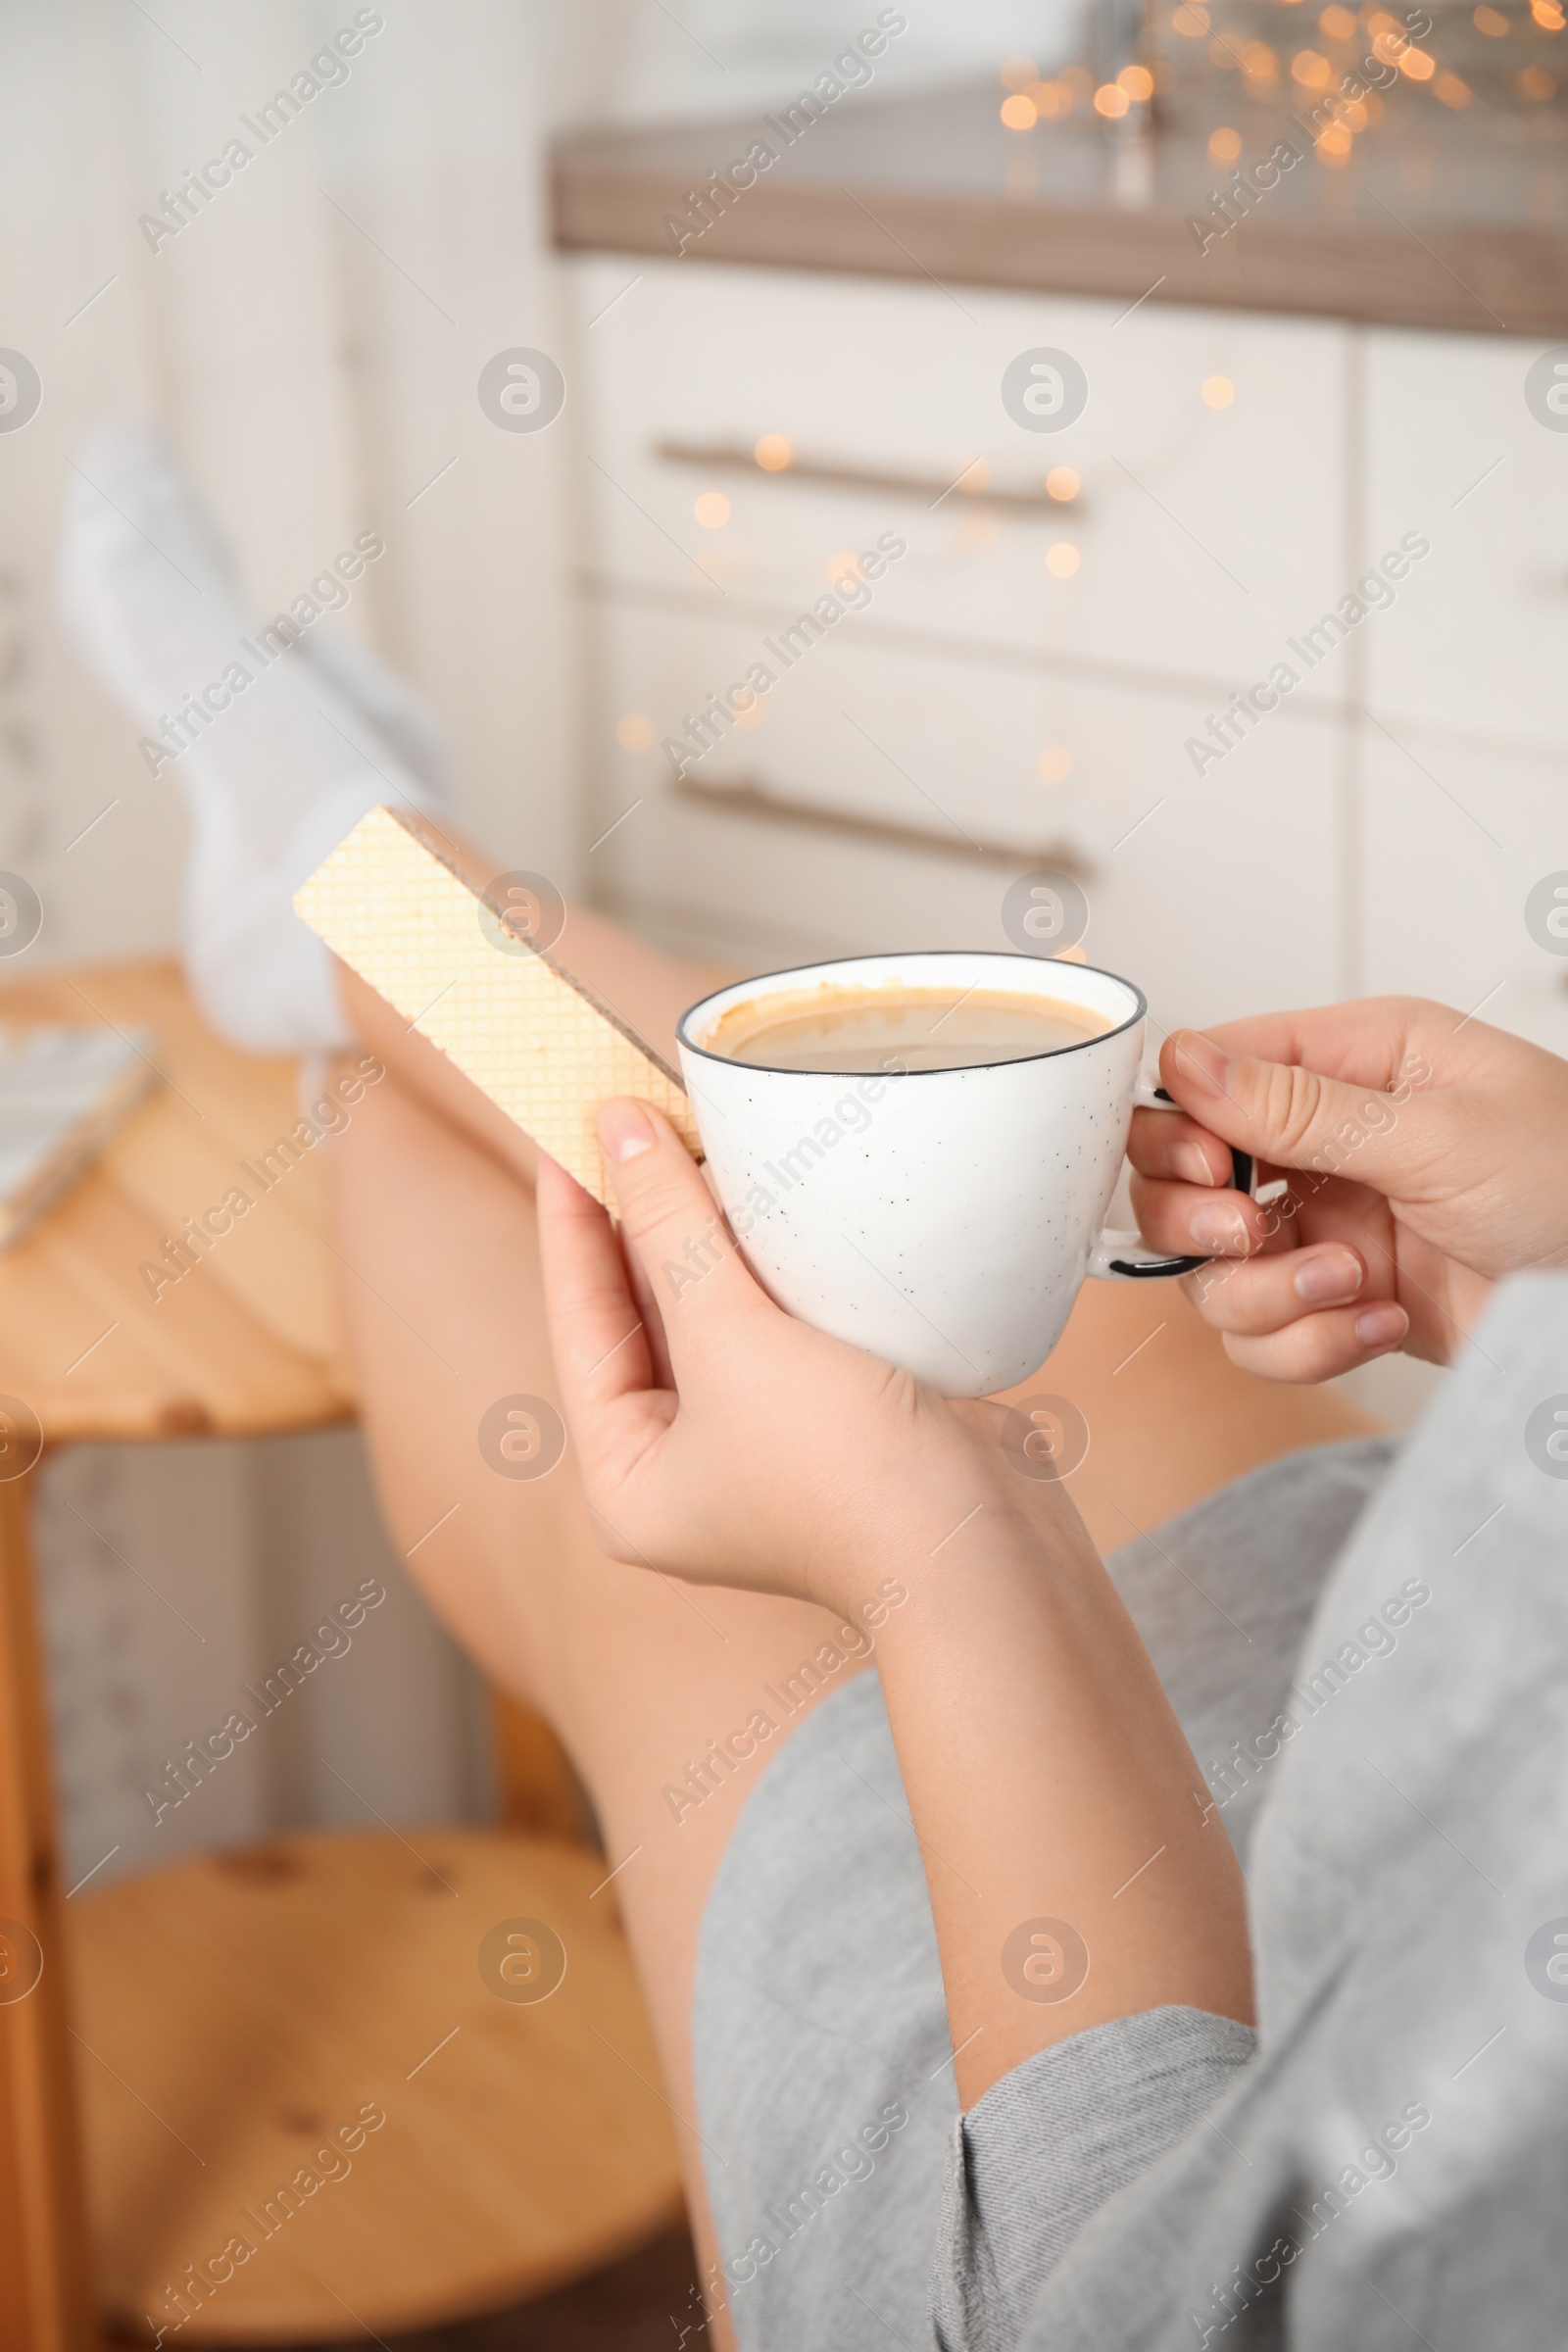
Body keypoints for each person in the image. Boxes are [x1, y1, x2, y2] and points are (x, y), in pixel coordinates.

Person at [60, 426, 1568, 2350]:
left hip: (1096, 2144)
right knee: (854, 1187)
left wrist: (949, 1558)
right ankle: (355, 876)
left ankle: (336, 893)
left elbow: (1113, 2276)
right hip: (1452, 1687)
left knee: (439, 1150)